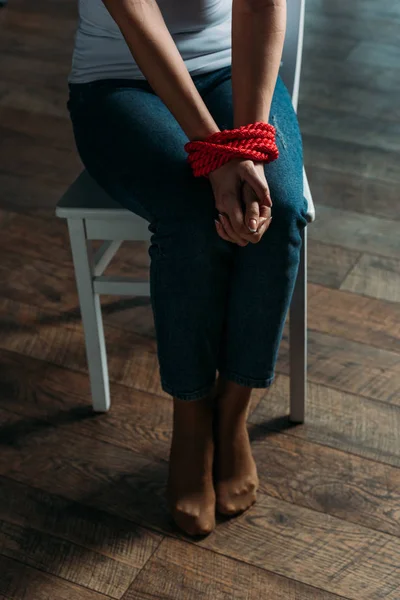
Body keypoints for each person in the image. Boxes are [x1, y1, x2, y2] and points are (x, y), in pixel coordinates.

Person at [67, 0, 309, 537]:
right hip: (118, 81)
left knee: (279, 206)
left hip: (230, 68)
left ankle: (233, 411)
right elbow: (138, 21)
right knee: (193, 214)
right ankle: (192, 416)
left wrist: (245, 146)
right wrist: (218, 156)